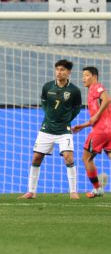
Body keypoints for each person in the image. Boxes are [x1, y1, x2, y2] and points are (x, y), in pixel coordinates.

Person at [19, 60, 82, 200]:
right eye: (57, 69)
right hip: (46, 128)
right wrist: (49, 117)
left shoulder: (74, 90)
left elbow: (77, 108)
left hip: (64, 130)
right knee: (36, 157)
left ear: (68, 72)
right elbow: (44, 103)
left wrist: (67, 119)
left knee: (68, 157)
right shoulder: (47, 87)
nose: (59, 72)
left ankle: (73, 192)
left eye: (62, 70)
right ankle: (31, 191)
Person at [73, 67, 111, 198]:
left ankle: (97, 188)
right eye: (83, 75)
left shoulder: (96, 87)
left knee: (86, 158)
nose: (83, 78)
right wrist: (83, 126)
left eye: (86, 75)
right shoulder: (91, 92)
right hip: (108, 129)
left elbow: (107, 98)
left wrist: (96, 117)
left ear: (94, 76)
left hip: (101, 130)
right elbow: (97, 116)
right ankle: (98, 188)